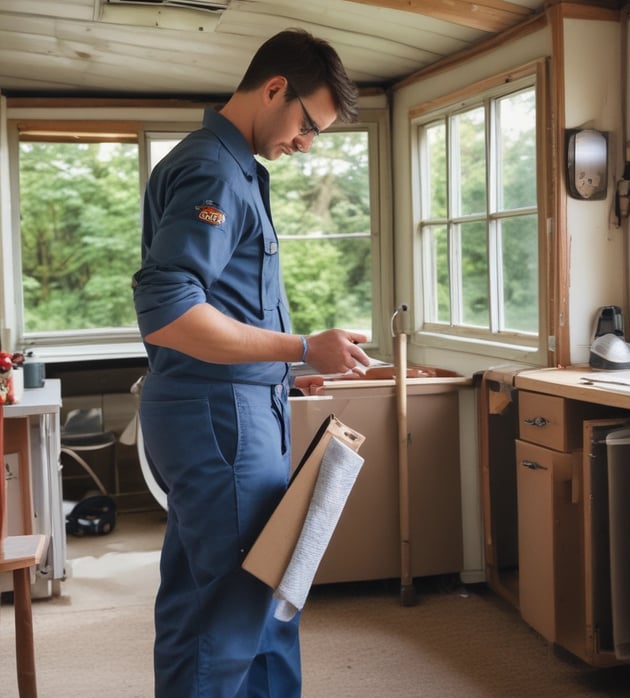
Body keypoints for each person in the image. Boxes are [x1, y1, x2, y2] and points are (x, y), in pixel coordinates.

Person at [132, 28, 369, 697]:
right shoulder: (213, 169)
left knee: (234, 599)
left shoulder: (231, 169)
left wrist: (286, 368)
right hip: (223, 423)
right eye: (306, 124)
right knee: (233, 612)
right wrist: (297, 347)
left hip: (230, 411)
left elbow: (226, 305)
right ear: (273, 89)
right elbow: (172, 312)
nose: (305, 143)